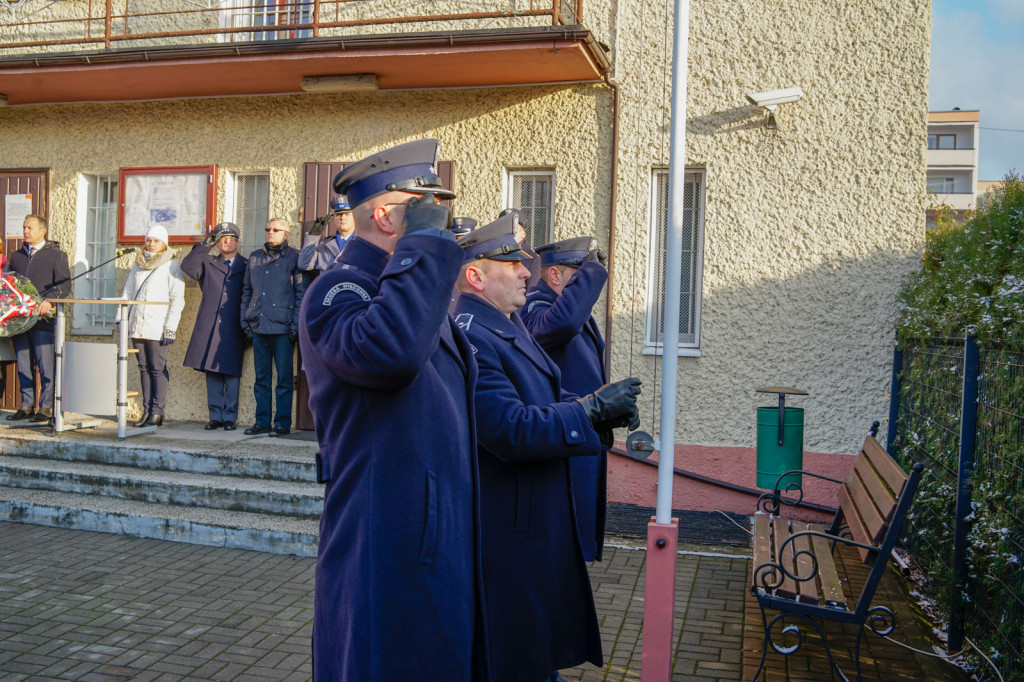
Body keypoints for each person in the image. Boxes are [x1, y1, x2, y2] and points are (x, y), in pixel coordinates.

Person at [299, 139, 488, 681]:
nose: (440, 215)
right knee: (387, 658)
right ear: (386, 214)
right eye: (422, 203)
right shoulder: (341, 287)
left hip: (429, 519)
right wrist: (425, 246)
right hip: (386, 526)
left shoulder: (410, 287)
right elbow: (391, 354)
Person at [452, 214, 641, 682]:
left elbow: (538, 398)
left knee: (535, 651)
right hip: (508, 529)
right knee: (516, 656)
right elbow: (507, 428)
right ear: (475, 276)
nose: (525, 272)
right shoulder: (472, 332)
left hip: (530, 520)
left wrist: (596, 407)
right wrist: (589, 413)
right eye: (512, 263)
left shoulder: (503, 324)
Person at [520, 236, 610, 562]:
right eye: (579, 275)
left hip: (581, 433)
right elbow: (563, 323)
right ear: (555, 276)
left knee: (580, 534)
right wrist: (594, 272)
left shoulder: (564, 307)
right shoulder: (537, 305)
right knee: (565, 543)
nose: (585, 287)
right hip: (562, 434)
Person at [241, 218, 307, 436]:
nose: (270, 232)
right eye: (268, 229)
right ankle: (261, 422)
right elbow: (246, 292)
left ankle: (282, 423)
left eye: (276, 230)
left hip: (283, 329)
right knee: (261, 379)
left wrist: (296, 325)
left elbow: (301, 294)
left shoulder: (295, 258)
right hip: (259, 326)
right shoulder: (254, 258)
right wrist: (245, 321)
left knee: (284, 380)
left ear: (286, 234)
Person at [181, 222, 248, 431]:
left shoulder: (246, 265)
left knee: (231, 372)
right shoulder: (208, 262)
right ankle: (215, 416)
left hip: (234, 324)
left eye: (230, 238)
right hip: (210, 325)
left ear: (238, 241)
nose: (226, 242)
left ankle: (230, 417)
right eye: (222, 239)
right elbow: (188, 266)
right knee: (212, 372)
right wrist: (205, 245)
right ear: (217, 243)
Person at [5, 214, 71, 423]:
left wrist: (50, 301)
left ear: (42, 231)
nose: (25, 231)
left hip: (43, 320)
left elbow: (65, 286)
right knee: (24, 364)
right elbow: (9, 286)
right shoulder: (16, 256)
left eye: (29, 228)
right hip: (20, 320)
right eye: (24, 227)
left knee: (45, 365)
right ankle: (26, 405)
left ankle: (46, 407)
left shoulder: (56, 255)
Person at [121, 225, 186, 427]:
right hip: (138, 324)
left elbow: (177, 299)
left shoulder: (171, 265)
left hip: (158, 326)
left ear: (164, 243)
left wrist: (170, 327)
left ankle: (157, 411)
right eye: (149, 240)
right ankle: (146, 410)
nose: (151, 244)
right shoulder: (138, 264)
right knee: (143, 367)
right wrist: (120, 320)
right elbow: (128, 293)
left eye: (156, 240)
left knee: (157, 368)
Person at [298, 196, 353, 275]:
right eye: (338, 215)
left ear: (355, 217)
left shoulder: (363, 244)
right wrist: (314, 235)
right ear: (333, 218)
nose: (342, 218)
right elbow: (304, 265)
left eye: (347, 214)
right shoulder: (323, 245)